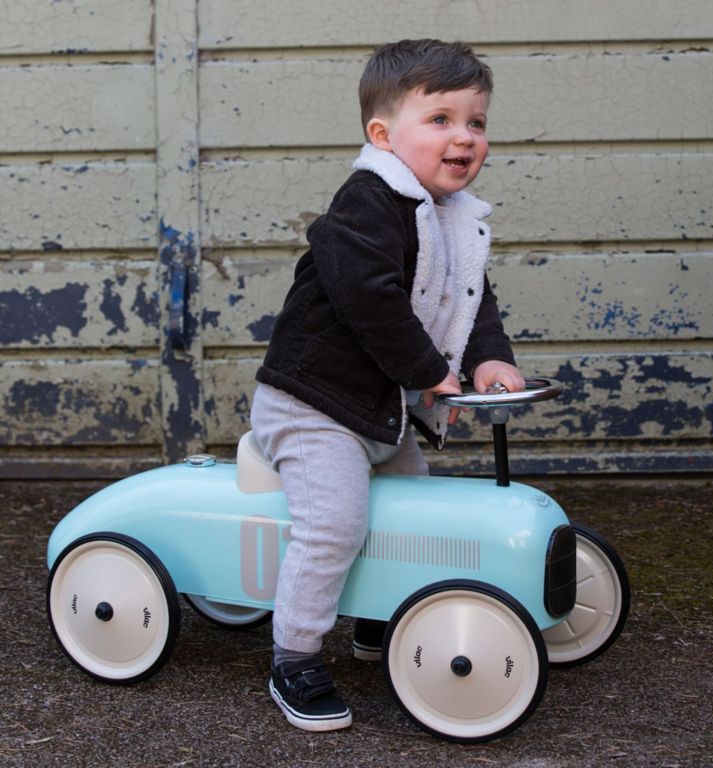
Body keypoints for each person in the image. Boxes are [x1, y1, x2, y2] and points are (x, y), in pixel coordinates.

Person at [249, 38, 524, 732]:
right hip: (312, 404)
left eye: (477, 122)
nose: (464, 137)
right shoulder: (368, 202)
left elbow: (470, 298)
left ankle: (382, 619)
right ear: (383, 134)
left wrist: (490, 358)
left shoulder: (454, 216)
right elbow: (369, 299)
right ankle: (296, 656)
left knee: (411, 517)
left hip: (377, 412)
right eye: (440, 120)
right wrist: (433, 371)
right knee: (334, 524)